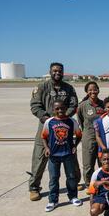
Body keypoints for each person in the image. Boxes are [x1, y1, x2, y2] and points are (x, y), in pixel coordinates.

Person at [29, 62, 78, 201]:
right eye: (55, 70)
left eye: (60, 71)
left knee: (71, 157)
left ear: (63, 72)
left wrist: (63, 117)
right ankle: (34, 187)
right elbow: (35, 105)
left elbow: (73, 104)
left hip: (64, 127)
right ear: (50, 72)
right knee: (40, 158)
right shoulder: (42, 87)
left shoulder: (68, 88)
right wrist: (46, 119)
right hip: (46, 127)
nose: (57, 73)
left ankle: (74, 183)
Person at [41, 100, 83, 212]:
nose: (60, 110)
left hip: (68, 154)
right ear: (53, 110)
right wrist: (47, 148)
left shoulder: (71, 121)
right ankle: (53, 200)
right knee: (54, 178)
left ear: (66, 108)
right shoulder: (49, 122)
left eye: (62, 108)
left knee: (71, 177)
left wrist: (74, 145)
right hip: (54, 155)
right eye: (57, 108)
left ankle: (73, 196)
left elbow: (79, 135)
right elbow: (44, 136)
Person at [77, 82, 105, 193]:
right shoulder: (83, 105)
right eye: (90, 90)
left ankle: (102, 182)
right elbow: (80, 120)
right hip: (88, 136)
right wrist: (86, 132)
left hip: (102, 137)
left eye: (95, 89)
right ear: (86, 91)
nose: (93, 92)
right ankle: (89, 184)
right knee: (88, 163)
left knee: (102, 161)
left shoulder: (103, 104)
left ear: (98, 90)